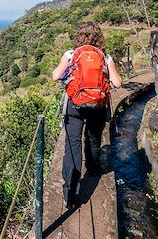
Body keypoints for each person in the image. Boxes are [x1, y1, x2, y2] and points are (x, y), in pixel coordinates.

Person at [51, 21, 122, 209]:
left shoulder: (71, 54)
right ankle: (92, 167)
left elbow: (55, 76)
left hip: (75, 105)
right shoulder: (105, 57)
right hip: (98, 106)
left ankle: (70, 193)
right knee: (92, 138)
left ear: (78, 36)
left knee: (72, 145)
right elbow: (118, 83)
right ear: (99, 37)